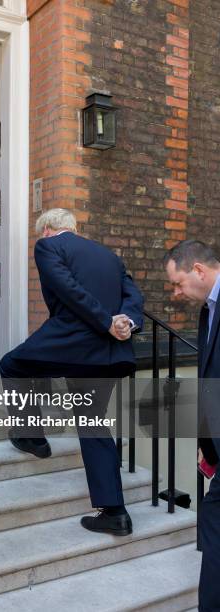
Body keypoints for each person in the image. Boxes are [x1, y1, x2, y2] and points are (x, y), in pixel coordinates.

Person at [0, 208, 143, 536]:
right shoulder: (109, 256)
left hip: (71, 342)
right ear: (74, 228)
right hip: (110, 352)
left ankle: (31, 435)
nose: (41, 237)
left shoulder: (48, 246)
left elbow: (67, 289)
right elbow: (134, 296)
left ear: (49, 229)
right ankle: (115, 513)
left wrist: (107, 322)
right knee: (92, 419)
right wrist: (126, 322)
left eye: (41, 232)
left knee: (11, 364)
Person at [165, 239, 220, 612]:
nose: (175, 293)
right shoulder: (207, 310)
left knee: (213, 519)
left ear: (199, 270)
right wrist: (207, 440)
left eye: (178, 282)